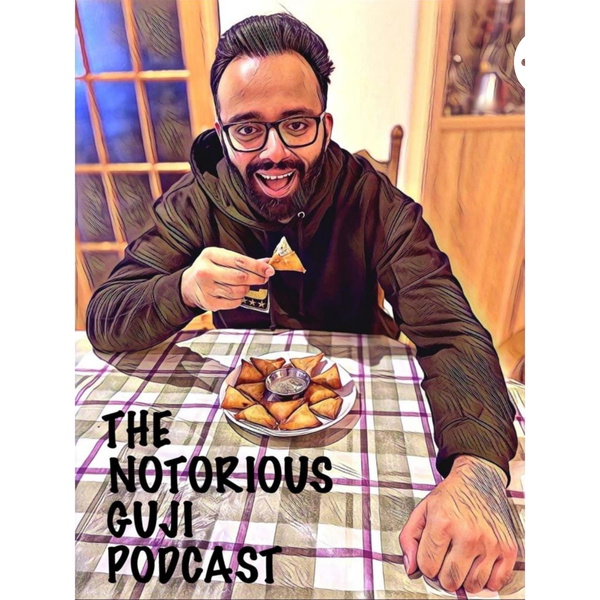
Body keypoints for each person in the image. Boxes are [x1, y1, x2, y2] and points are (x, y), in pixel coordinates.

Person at [86, 13, 522, 594]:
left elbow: (452, 331)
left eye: (296, 124)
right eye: (248, 129)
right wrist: (184, 289)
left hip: (357, 433)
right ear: (222, 133)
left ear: (324, 124)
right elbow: (106, 316)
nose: (274, 153)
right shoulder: (197, 202)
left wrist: (477, 467)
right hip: (238, 450)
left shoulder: (373, 201)